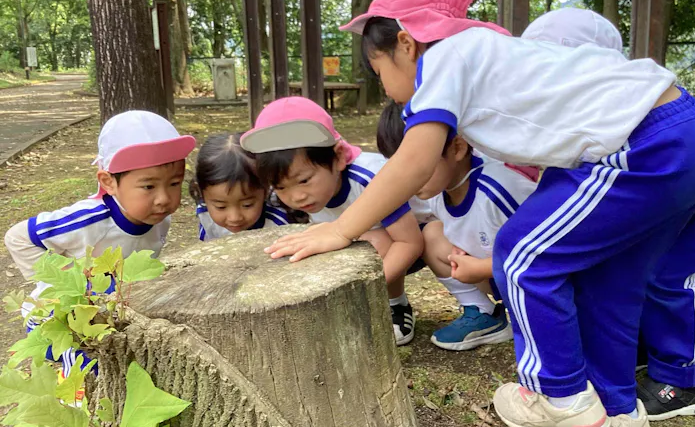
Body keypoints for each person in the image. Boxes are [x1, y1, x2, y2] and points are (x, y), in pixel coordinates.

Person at [264, 0, 695, 427]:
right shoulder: (492, 59)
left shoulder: (443, 57)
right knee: (607, 282)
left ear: (405, 43)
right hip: (689, 137)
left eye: (377, 69)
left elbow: (416, 158)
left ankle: (562, 397)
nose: (384, 88)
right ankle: (618, 420)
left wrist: (341, 229)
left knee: (521, 255)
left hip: (645, 143)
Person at [523, 7, 695, 422]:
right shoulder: (580, 110)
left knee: (674, 278)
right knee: (632, 268)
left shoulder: (627, 102)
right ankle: (644, 345)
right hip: (675, 193)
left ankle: (684, 379)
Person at [4, 110, 195, 373]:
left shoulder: (158, 218)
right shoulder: (88, 221)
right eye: (149, 187)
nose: (164, 198)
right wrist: (69, 284)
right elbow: (18, 237)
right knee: (90, 372)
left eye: (174, 183)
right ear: (109, 182)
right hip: (61, 320)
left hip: (108, 313)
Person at [240, 96, 425, 346]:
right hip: (372, 234)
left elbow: (409, 243)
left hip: (424, 237)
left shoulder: (369, 179)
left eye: (304, 180)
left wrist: (364, 291)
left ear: (338, 157)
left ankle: (395, 305)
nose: (296, 196)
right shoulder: (310, 192)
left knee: (375, 241)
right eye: (281, 187)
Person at [377, 101, 537, 351]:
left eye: (416, 165)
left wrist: (483, 267)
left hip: (539, 281)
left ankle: (537, 325)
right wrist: (463, 247)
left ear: (457, 147)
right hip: (499, 274)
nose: (406, 179)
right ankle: (483, 313)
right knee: (432, 233)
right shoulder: (434, 192)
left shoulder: (500, 189)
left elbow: (548, 252)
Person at [191, 132, 290, 242]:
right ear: (202, 194)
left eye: (247, 205)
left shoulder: (280, 223)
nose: (234, 218)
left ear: (266, 190)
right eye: (220, 207)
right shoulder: (205, 214)